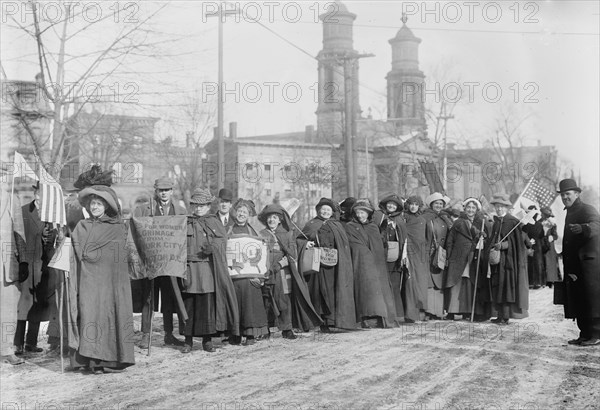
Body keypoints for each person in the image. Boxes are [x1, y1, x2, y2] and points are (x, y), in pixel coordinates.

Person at [70, 185, 135, 373]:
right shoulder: (82, 226)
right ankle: (88, 361)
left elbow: (122, 258)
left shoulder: (117, 228)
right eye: (92, 204)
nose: (95, 207)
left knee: (108, 317)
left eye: (99, 204)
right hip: (88, 283)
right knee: (89, 316)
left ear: (106, 206)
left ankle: (108, 361)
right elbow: (74, 250)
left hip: (110, 284)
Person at [182, 188, 240, 353]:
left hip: (207, 270)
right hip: (190, 270)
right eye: (195, 205)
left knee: (207, 306)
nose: (198, 209)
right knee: (189, 306)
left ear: (208, 206)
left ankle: (207, 341)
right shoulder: (185, 222)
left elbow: (222, 241)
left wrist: (213, 247)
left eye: (202, 205)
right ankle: (188, 341)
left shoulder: (214, 222)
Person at [132, 177, 187, 348]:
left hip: (170, 262)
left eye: (167, 190)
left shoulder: (180, 210)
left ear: (172, 191)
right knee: (149, 298)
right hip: (151, 261)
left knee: (169, 298)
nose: (164, 193)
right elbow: (136, 230)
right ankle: (146, 334)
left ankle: (168, 334)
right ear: (156, 191)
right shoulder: (143, 209)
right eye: (161, 190)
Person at [297, 198, 356, 332]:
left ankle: (331, 321)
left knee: (331, 291)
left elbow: (343, 245)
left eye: (328, 210)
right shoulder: (311, 224)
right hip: (316, 265)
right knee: (318, 292)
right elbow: (300, 239)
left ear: (332, 212)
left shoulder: (337, 225)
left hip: (333, 265)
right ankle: (318, 321)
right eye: (323, 209)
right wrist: (306, 244)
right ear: (318, 210)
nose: (325, 212)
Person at [13, 182, 57, 355]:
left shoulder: (51, 215)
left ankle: (31, 342)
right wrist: (21, 261)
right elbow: (17, 236)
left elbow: (54, 237)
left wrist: (50, 236)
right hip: (27, 264)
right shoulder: (23, 211)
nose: (41, 197)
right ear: (35, 193)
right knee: (23, 304)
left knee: (38, 304)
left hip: (42, 264)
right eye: (39, 193)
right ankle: (17, 343)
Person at [557, 179, 600, 346]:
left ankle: (596, 334)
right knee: (578, 298)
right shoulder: (570, 211)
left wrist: (584, 228)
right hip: (574, 263)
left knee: (591, 299)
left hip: (588, 265)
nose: (565, 197)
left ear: (577, 194)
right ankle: (584, 333)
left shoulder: (586, 209)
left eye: (568, 194)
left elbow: (597, 224)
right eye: (562, 195)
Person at [344, 199, 396, 328]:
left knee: (378, 290)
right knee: (364, 290)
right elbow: (353, 245)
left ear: (368, 214)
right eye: (358, 213)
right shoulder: (350, 226)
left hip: (377, 266)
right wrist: (365, 256)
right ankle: (365, 317)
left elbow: (379, 247)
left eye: (363, 213)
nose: (360, 215)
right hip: (361, 263)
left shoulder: (373, 227)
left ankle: (379, 317)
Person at [227, 199, 269, 345]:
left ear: (249, 215)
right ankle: (235, 334)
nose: (241, 214)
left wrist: (261, 276)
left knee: (250, 305)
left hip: (250, 277)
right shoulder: (228, 230)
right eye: (239, 211)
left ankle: (250, 335)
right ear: (235, 212)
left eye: (244, 212)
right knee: (234, 305)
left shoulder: (254, 232)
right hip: (233, 277)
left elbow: (262, 253)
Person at [443, 198, 490, 320]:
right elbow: (450, 240)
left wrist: (483, 238)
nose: (470, 210)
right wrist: (449, 256)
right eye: (468, 207)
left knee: (470, 283)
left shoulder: (481, 222)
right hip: (458, 257)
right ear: (464, 208)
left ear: (477, 210)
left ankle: (468, 310)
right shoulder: (458, 222)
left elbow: (486, 240)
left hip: (473, 257)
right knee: (456, 282)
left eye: (473, 208)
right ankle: (452, 311)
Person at [487, 193, 529, 324]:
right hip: (497, 261)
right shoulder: (496, 222)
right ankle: (500, 315)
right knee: (497, 286)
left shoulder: (512, 222)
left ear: (507, 208)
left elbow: (517, 244)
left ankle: (505, 316)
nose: (499, 209)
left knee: (506, 288)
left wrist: (504, 245)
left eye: (502, 207)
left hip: (508, 262)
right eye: (497, 207)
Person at [373, 194, 407, 325]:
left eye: (394, 205)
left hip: (395, 257)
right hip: (380, 255)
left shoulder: (399, 220)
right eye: (389, 204)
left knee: (394, 285)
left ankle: (397, 314)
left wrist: (403, 256)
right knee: (381, 285)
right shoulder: (378, 216)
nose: (391, 206)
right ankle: (382, 315)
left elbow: (404, 238)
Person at [421, 192, 451, 319]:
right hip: (428, 252)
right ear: (431, 204)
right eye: (436, 203)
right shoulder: (425, 218)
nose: (438, 206)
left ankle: (438, 311)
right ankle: (428, 311)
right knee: (429, 282)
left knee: (439, 281)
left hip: (441, 254)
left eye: (440, 204)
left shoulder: (445, 218)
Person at [403, 196, 429, 322]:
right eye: (411, 204)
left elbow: (425, 238)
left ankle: (420, 310)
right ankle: (409, 313)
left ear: (419, 206)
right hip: (407, 252)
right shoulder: (404, 218)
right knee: (409, 282)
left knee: (420, 282)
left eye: (416, 204)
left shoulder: (422, 220)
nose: (413, 207)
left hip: (420, 255)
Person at [522, 205, 546, 289]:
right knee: (537, 263)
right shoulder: (538, 224)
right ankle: (538, 282)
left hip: (530, 245)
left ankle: (532, 282)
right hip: (535, 245)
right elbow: (541, 234)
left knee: (532, 263)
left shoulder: (526, 225)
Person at [539, 206, 561, 286]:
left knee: (550, 262)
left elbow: (555, 235)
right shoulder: (540, 222)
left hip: (549, 245)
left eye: (542, 214)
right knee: (543, 261)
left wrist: (552, 237)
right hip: (542, 243)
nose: (541, 215)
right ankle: (545, 280)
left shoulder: (552, 223)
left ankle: (552, 280)